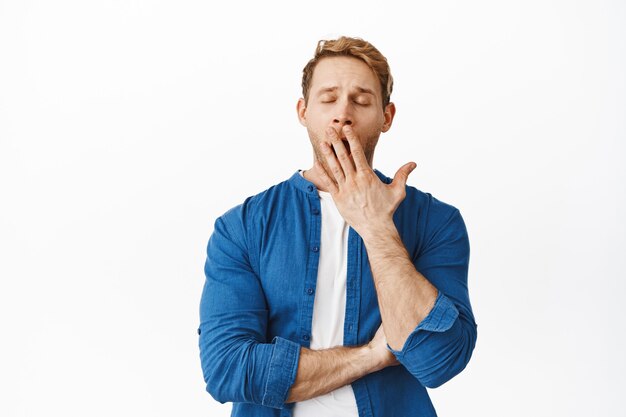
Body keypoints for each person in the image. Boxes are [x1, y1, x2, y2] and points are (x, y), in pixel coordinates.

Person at [198, 36, 477, 417]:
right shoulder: (243, 227)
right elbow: (228, 370)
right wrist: (373, 355)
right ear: (303, 111)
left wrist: (377, 227)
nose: (343, 112)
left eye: (361, 100)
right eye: (328, 98)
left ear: (387, 116)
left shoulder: (436, 221)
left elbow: (438, 361)